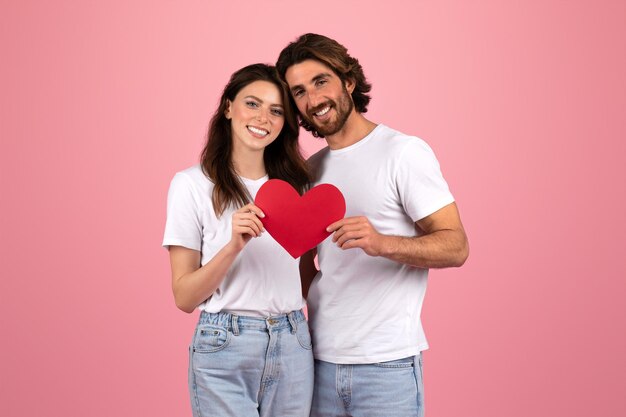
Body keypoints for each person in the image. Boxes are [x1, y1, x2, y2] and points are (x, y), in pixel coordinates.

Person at [276, 34, 470, 417]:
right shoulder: (311, 171)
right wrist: (315, 292)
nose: (313, 100)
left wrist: (381, 243)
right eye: (299, 92)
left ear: (348, 81)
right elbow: (302, 257)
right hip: (318, 362)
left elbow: (456, 246)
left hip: (388, 367)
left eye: (320, 81)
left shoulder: (403, 152)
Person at [162, 63, 314, 417]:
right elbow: (184, 297)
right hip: (225, 344)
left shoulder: (298, 186)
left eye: (277, 111)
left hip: (293, 341)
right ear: (228, 107)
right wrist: (233, 245)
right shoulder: (191, 185)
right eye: (252, 103)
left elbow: (305, 278)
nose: (263, 117)